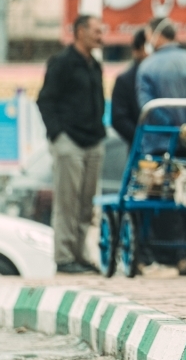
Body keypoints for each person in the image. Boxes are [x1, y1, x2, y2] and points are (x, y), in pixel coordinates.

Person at [136, 16, 186, 275]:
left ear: (156, 36)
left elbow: (148, 108)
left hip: (160, 146)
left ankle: (176, 255)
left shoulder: (148, 67)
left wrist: (173, 130)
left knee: (164, 201)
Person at [37, 15, 106, 274]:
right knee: (68, 202)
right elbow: (45, 100)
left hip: (93, 142)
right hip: (69, 142)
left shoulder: (94, 65)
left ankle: (80, 255)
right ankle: (64, 258)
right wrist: (58, 136)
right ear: (80, 32)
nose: (101, 36)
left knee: (87, 205)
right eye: (97, 31)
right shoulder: (62, 63)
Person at [111, 29, 148, 146]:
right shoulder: (126, 80)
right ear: (138, 50)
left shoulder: (165, 75)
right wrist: (142, 139)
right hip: (139, 149)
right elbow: (119, 119)